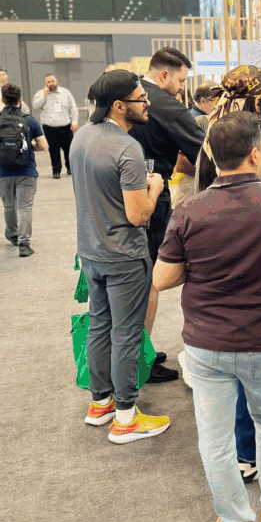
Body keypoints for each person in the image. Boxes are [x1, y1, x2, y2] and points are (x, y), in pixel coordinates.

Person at [153, 111, 261, 522]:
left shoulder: (189, 210)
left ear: (210, 155)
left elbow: (162, 279)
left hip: (205, 341)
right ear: (257, 155)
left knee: (215, 437)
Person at [194, 65, 261, 484]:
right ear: (260, 98)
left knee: (229, 375)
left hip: (216, 271)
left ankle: (240, 455)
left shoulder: (214, 135)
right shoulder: (256, 145)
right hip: (258, 272)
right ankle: (256, 460)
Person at [70, 69, 171, 444]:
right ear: (118, 105)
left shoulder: (81, 136)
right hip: (124, 256)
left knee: (100, 326)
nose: (147, 104)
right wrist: (155, 186)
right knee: (127, 334)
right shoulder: (128, 148)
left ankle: (101, 404)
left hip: (91, 252)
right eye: (141, 99)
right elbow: (138, 214)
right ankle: (126, 417)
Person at [128, 47, 206, 383]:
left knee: (137, 279)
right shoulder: (165, 104)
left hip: (122, 197)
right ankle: (138, 360)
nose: (182, 88)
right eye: (181, 80)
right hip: (150, 198)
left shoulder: (128, 94)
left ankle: (137, 349)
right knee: (149, 280)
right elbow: (207, 152)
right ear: (164, 76)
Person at [0, 83, 47, 257]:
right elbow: (43, 146)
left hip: (3, 172)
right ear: (20, 100)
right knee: (25, 207)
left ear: (2, 100)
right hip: (27, 171)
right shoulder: (29, 120)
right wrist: (27, 149)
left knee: (9, 206)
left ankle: (12, 235)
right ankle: (24, 244)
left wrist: (2, 151)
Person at [32, 74, 79, 179]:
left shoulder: (66, 93)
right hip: (50, 127)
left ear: (56, 81)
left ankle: (70, 168)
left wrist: (74, 122)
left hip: (66, 126)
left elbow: (73, 108)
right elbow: (35, 106)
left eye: (52, 81)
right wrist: (44, 96)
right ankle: (56, 170)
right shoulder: (40, 94)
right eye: (48, 82)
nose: (51, 83)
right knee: (54, 150)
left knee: (68, 149)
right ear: (45, 83)